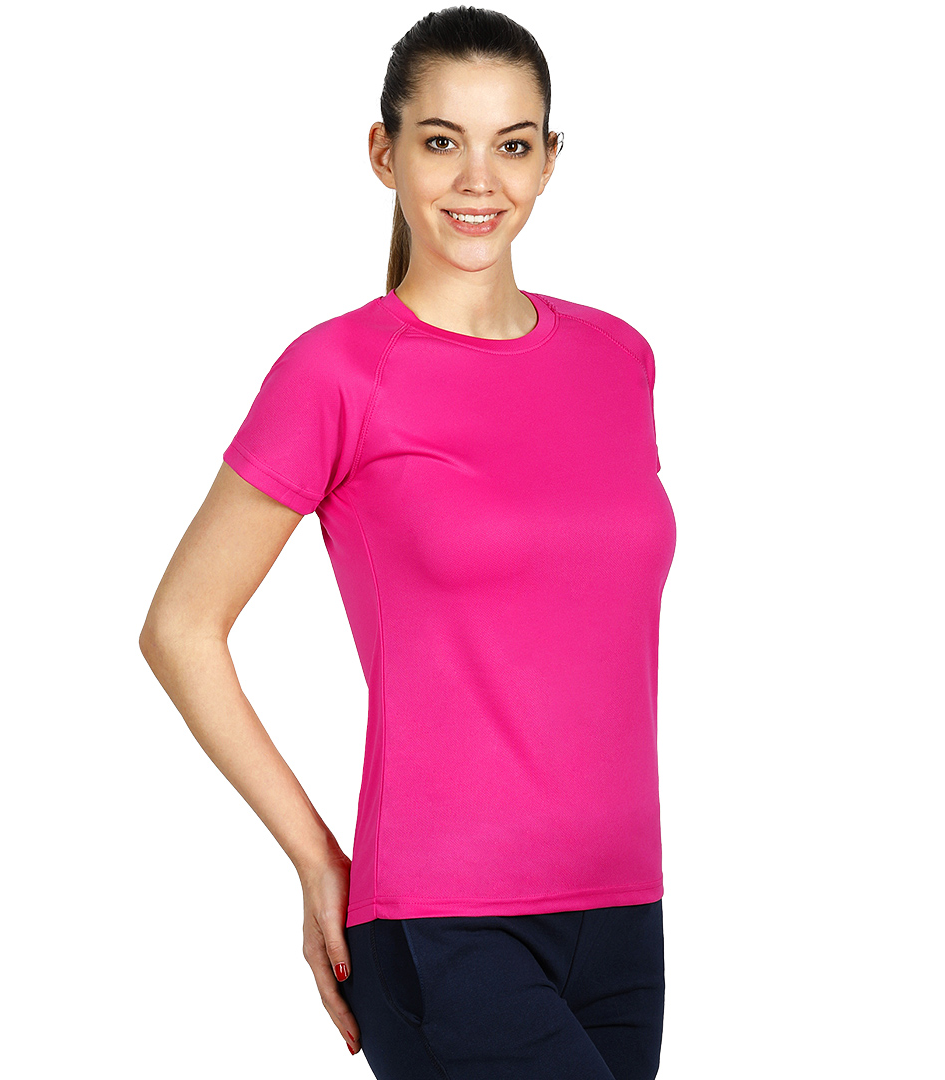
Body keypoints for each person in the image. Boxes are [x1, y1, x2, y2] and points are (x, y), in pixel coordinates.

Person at [139, 6, 676, 1078]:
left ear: (550, 160)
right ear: (384, 154)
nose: (479, 180)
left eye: (512, 144)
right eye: (441, 141)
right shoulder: (338, 373)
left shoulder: (618, 358)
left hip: (624, 910)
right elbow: (180, 628)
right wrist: (317, 861)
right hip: (443, 921)